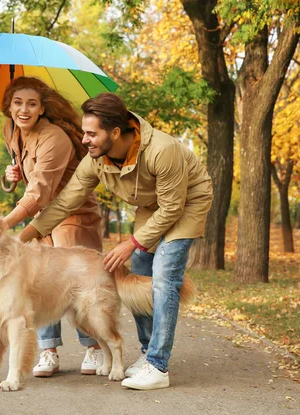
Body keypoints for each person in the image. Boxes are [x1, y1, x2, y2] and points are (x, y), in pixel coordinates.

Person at [18, 92, 213, 390]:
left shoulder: (163, 149)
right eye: (85, 132)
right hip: (152, 206)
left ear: (116, 132)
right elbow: (63, 204)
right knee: (139, 268)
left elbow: (173, 207)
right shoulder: (96, 159)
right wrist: (21, 238)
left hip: (187, 203)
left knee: (164, 274)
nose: (85, 139)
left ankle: (158, 366)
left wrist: (130, 242)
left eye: (91, 133)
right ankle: (148, 352)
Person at [0, 77, 104, 377]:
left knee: (78, 284)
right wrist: (12, 176)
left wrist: (3, 225)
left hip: (71, 216)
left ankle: (94, 348)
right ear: (8, 107)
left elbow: (39, 193)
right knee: (37, 285)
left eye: (32, 103)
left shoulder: (54, 137)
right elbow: (29, 183)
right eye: (17, 102)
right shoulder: (11, 130)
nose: (24, 109)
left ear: (42, 108)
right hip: (40, 220)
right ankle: (49, 352)